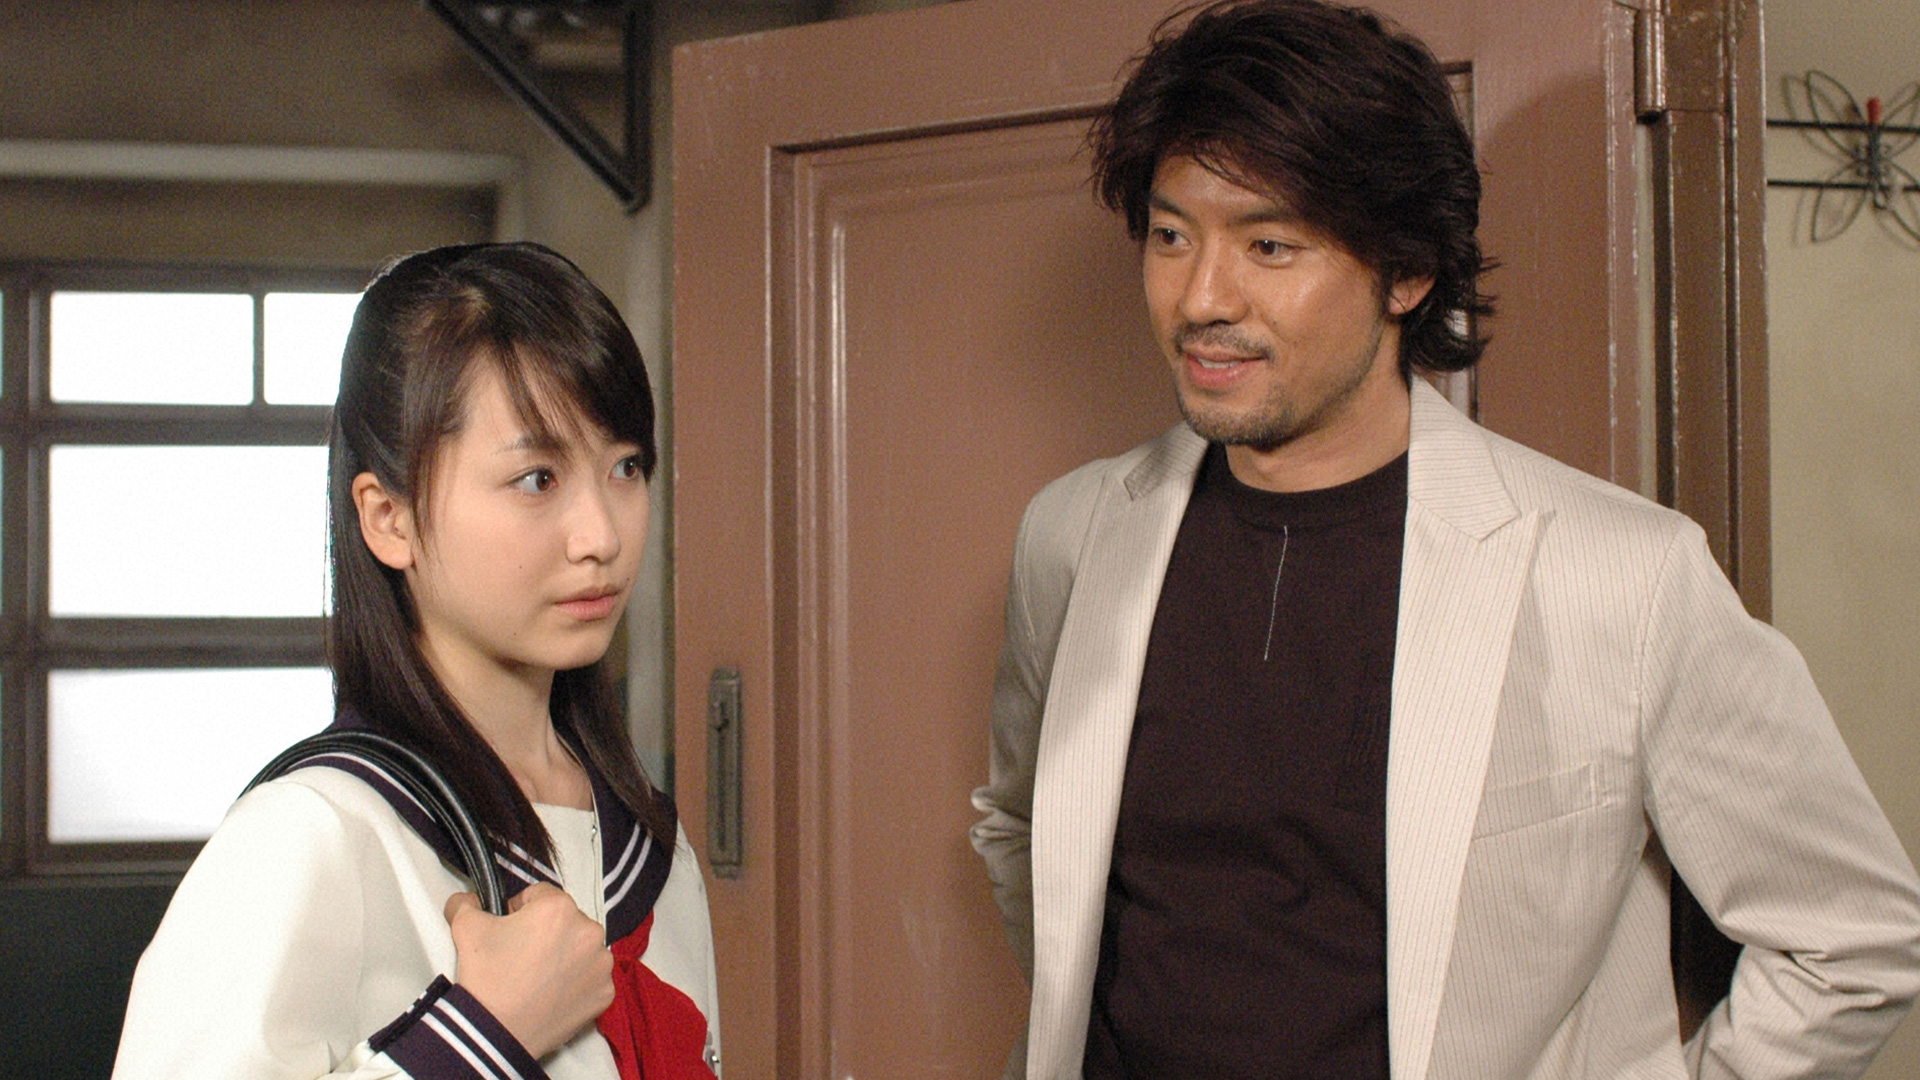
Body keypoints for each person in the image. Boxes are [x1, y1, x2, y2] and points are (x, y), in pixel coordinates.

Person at [968, 2, 1920, 1078]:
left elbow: (1852, 939)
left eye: (1269, 245)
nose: (1201, 298)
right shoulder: (1074, 534)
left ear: (1408, 272)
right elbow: (1023, 830)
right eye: (1170, 235)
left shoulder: (1622, 576)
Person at [114, 242, 720, 1080]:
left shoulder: (652, 846)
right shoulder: (316, 834)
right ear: (388, 517)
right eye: (537, 479)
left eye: (626, 467)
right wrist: (481, 1037)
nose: (602, 536)